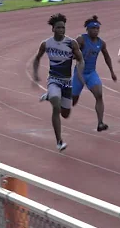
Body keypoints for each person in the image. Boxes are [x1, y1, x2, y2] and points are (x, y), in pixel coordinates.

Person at [33, 13, 84, 151]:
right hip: (54, 80)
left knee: (65, 114)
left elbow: (80, 59)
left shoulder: (71, 43)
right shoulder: (46, 44)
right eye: (59, 27)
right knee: (56, 106)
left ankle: (50, 95)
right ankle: (59, 141)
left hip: (67, 82)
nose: (62, 30)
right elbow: (37, 58)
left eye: (63, 27)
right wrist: (35, 74)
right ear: (53, 29)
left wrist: (79, 74)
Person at [71, 16, 117, 132]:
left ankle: (100, 123)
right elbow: (71, 51)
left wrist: (112, 71)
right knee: (73, 100)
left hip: (91, 73)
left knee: (99, 95)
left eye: (97, 28)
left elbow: (106, 56)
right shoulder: (81, 39)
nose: (95, 30)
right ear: (87, 29)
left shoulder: (101, 43)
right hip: (79, 73)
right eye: (93, 28)